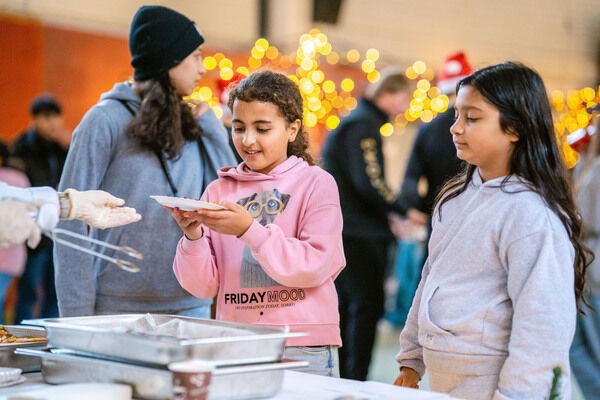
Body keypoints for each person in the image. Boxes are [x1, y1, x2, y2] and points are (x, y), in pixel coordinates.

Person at [394, 62, 590, 399]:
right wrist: (411, 359)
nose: (455, 128)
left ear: (514, 128)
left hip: (495, 380)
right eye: (457, 115)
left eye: (472, 118)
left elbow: (542, 323)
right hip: (447, 376)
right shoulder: (454, 199)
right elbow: (431, 278)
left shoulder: (531, 214)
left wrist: (514, 395)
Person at [54, 5, 236, 318]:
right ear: (170, 60)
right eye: (195, 56)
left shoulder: (195, 122)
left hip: (191, 305)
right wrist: (77, 316)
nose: (202, 68)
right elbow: (69, 220)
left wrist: (212, 128)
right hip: (115, 308)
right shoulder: (104, 120)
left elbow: (228, 195)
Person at [170, 70, 345, 377]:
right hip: (236, 341)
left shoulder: (317, 183)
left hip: (302, 343)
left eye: (262, 129)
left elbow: (313, 266)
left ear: (292, 129)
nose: (247, 140)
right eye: (238, 128)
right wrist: (192, 236)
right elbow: (202, 287)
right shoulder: (218, 190)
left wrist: (248, 230)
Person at [321, 67, 412, 380]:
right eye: (404, 98)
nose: (405, 107)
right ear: (388, 94)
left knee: (347, 307)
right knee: (365, 307)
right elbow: (370, 182)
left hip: (345, 230)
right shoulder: (364, 125)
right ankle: (355, 379)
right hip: (359, 234)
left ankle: (343, 376)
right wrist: (402, 209)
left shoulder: (356, 121)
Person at [389, 52, 472, 326]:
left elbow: (410, 180)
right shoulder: (477, 129)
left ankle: (423, 328)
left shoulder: (429, 130)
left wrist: (416, 210)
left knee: (429, 276)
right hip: (472, 213)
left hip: (437, 216)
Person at [11, 94, 68, 321]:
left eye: (56, 116)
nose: (53, 122)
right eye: (46, 117)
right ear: (35, 119)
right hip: (32, 228)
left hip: (58, 226)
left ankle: (49, 333)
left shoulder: (60, 148)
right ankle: (21, 332)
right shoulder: (22, 148)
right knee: (29, 288)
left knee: (56, 289)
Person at [569, 117, 600, 399]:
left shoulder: (595, 170)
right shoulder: (589, 165)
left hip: (594, 268)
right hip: (589, 266)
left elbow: (590, 218)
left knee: (586, 346)